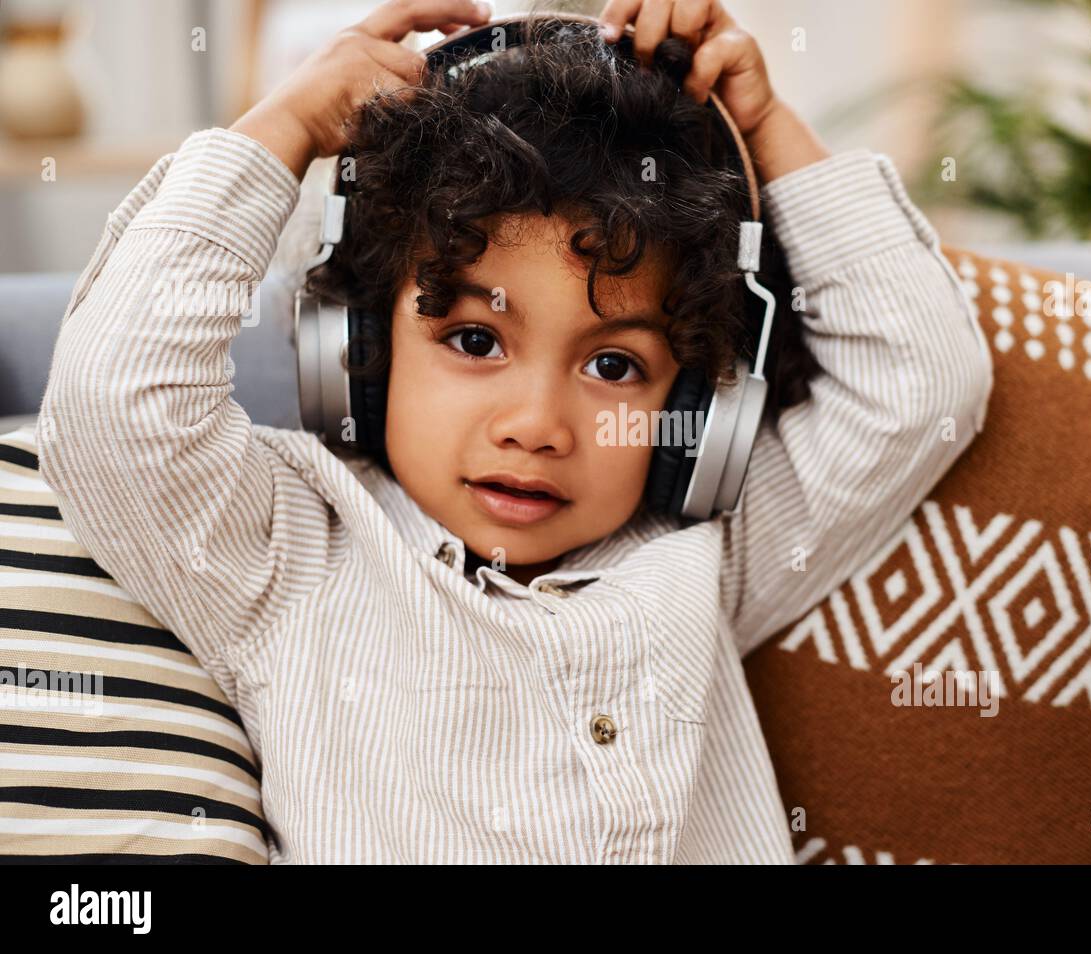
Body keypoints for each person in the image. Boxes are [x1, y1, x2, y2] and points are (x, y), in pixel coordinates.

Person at [37, 0, 993, 863]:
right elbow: (115, 402)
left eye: (613, 366)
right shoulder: (289, 556)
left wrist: (765, 127)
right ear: (357, 346)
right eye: (475, 338)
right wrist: (283, 131)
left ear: (698, 416)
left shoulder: (708, 556)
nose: (537, 426)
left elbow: (921, 381)